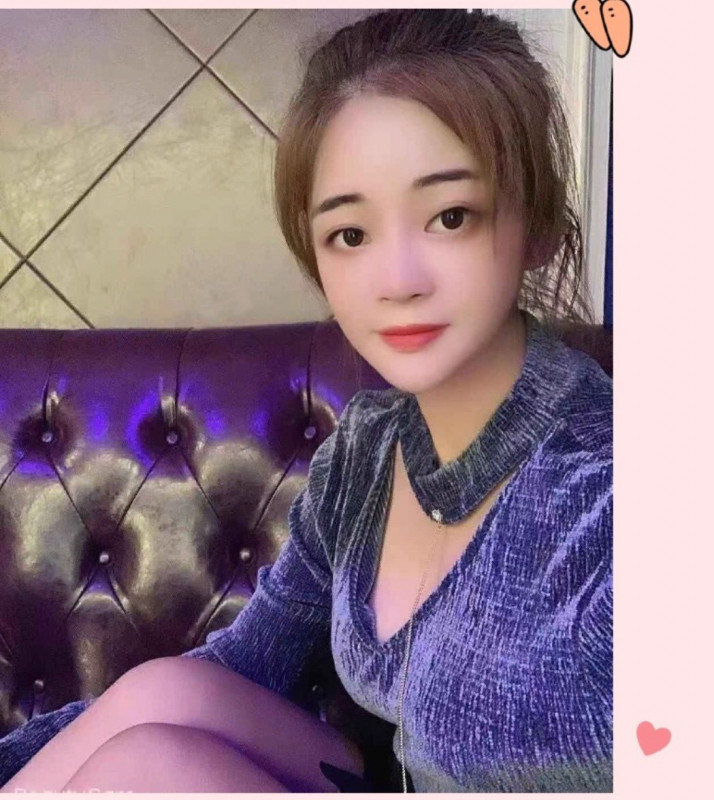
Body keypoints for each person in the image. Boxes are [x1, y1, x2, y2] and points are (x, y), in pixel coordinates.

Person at [0, 8, 612, 793]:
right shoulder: (368, 450)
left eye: (450, 217)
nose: (397, 280)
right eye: (350, 235)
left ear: (538, 222)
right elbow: (245, 662)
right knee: (163, 696)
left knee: (141, 767)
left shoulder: (607, 493)